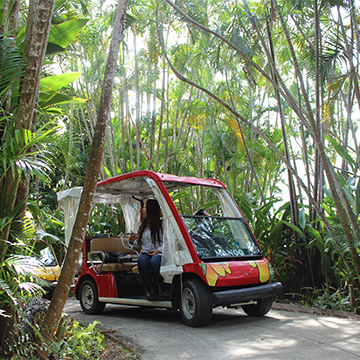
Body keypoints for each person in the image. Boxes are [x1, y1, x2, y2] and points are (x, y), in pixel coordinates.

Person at [128, 199, 169, 300]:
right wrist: (131, 241)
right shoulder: (141, 226)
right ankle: (149, 289)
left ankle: (165, 288)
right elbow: (139, 245)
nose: (143, 210)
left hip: (160, 253)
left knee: (155, 261)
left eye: (145, 207)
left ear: (152, 209)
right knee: (142, 260)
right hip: (146, 252)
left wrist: (158, 250)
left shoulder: (163, 224)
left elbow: (168, 242)